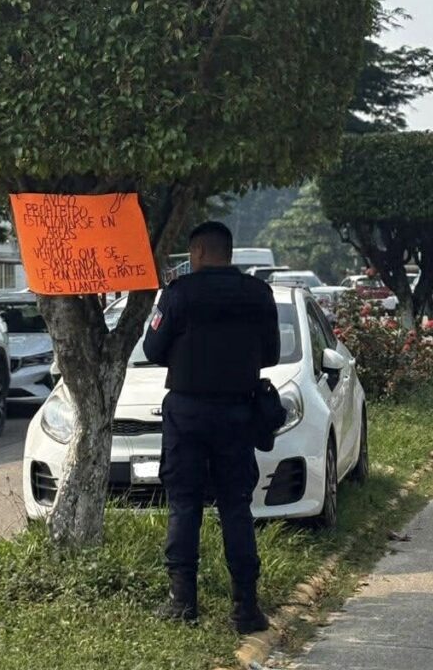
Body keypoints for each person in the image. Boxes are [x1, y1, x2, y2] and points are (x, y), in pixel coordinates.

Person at [143, 221, 280, 634]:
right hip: (239, 412)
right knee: (236, 506)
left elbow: (152, 350)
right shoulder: (258, 294)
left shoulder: (178, 294)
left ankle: (182, 601)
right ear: (229, 252)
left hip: (187, 412)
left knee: (185, 504)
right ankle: (246, 608)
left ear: (198, 253)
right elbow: (271, 353)